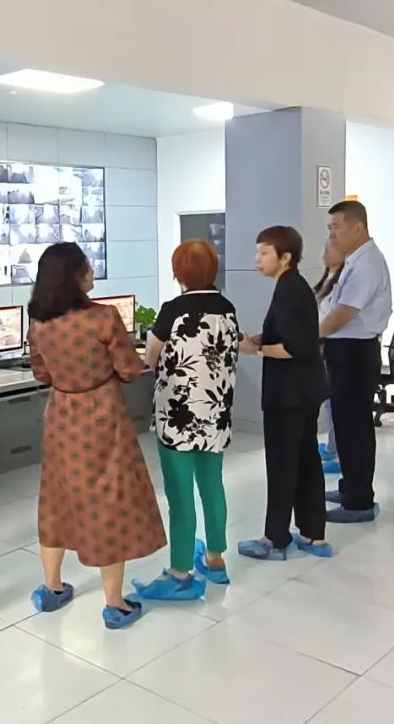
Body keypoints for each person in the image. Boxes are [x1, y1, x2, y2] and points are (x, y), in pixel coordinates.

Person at [26, 243, 165, 630]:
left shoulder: (38, 322)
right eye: (87, 268)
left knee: (56, 498)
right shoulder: (103, 318)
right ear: (74, 276)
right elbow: (129, 369)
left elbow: (41, 373)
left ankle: (52, 588)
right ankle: (115, 604)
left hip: (61, 416)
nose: (92, 274)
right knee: (108, 502)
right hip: (102, 416)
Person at [131, 240, 239, 600]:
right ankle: (215, 559)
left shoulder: (173, 310)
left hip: (177, 416)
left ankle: (179, 573)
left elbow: (150, 357)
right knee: (212, 485)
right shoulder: (227, 308)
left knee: (180, 494)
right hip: (215, 413)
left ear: (178, 274)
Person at [239, 227, 331, 560]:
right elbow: (293, 333)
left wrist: (255, 350)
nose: (258, 259)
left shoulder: (289, 290)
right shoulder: (293, 286)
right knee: (306, 460)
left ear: (285, 257)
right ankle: (313, 533)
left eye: (265, 253)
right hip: (304, 391)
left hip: (289, 395)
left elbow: (293, 347)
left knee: (282, 465)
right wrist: (261, 338)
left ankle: (275, 539)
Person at [321, 201, 392, 524]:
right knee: (347, 426)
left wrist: (307, 339)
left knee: (354, 428)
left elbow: (342, 314)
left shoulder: (366, 264)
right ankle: (351, 487)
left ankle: (359, 501)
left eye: (336, 227)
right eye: (330, 228)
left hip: (354, 351)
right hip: (346, 349)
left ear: (357, 227)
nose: (332, 234)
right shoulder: (356, 259)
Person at [313, 240, 345, 476]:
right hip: (320, 347)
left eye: (330, 249)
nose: (325, 253)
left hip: (329, 345)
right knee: (329, 402)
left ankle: (341, 454)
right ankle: (333, 447)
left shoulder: (344, 282)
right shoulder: (327, 279)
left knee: (337, 404)